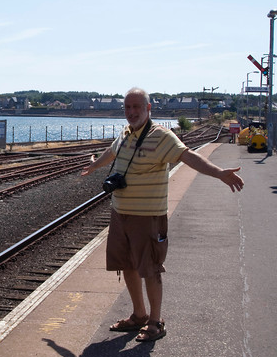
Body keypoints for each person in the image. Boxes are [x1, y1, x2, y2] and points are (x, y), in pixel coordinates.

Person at [81, 87, 244, 342]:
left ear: (148, 109)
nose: (131, 112)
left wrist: (219, 173)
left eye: (137, 107)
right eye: (127, 107)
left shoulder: (162, 137)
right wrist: (94, 165)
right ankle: (139, 315)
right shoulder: (125, 134)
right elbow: (112, 152)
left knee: (150, 269)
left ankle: (156, 322)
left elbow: (189, 157)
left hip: (147, 216)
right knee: (127, 265)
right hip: (120, 213)